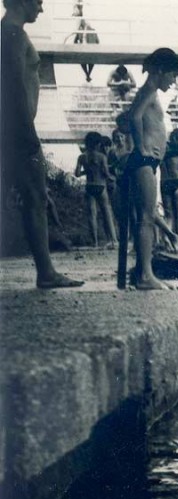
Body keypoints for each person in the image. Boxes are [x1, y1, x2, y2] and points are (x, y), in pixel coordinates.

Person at [1, 0, 83, 289]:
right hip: (18, 133)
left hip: (14, 130)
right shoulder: (12, 36)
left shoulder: (10, 34)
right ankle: (46, 272)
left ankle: (46, 271)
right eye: (38, 2)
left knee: (31, 198)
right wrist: (26, 133)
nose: (41, 9)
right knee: (36, 198)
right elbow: (13, 87)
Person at [126, 47, 178, 290]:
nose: (173, 81)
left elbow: (128, 117)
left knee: (147, 215)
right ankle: (146, 276)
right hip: (144, 161)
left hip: (148, 162)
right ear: (160, 71)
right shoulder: (149, 91)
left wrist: (170, 233)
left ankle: (143, 273)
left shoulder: (148, 92)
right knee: (145, 219)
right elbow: (134, 118)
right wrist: (141, 147)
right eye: (172, 76)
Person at [74, 132, 117, 248]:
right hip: (101, 186)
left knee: (91, 215)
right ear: (98, 144)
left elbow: (77, 174)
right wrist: (113, 178)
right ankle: (113, 240)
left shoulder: (82, 157)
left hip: (90, 186)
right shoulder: (102, 157)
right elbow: (106, 173)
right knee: (107, 213)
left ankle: (95, 242)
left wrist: (87, 171)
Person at [67, 17, 99, 82]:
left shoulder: (81, 31)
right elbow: (97, 42)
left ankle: (87, 74)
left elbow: (75, 42)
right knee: (90, 61)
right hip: (90, 50)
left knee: (83, 61)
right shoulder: (92, 30)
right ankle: (88, 75)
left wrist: (79, 45)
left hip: (87, 50)